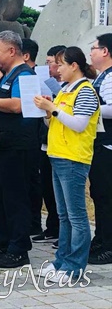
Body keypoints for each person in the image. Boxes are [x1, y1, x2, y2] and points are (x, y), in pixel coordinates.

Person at [0, 31, 40, 269]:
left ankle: (19, 248)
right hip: (2, 146)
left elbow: (18, 106)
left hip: (18, 147)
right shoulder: (9, 75)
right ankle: (1, 241)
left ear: (12, 50)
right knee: (0, 196)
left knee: (15, 198)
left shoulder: (25, 75)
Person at [34, 46, 100, 281]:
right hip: (58, 155)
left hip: (74, 158)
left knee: (76, 216)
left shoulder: (85, 91)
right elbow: (55, 122)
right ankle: (61, 260)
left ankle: (74, 267)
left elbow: (79, 124)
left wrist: (51, 109)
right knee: (63, 215)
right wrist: (46, 111)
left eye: (61, 64)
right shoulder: (64, 90)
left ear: (74, 66)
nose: (57, 69)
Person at [32, 45, 67, 246]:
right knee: (48, 187)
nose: (52, 68)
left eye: (52, 63)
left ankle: (63, 234)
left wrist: (52, 107)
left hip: (66, 149)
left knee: (64, 197)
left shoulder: (75, 89)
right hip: (48, 143)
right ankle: (53, 227)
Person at [88, 33, 112, 265]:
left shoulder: (110, 78)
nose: (91, 52)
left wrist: (86, 108)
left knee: (106, 197)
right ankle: (101, 238)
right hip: (99, 144)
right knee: (99, 194)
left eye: (94, 48)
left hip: (107, 146)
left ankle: (109, 245)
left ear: (105, 51)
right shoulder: (101, 77)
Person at [21, 38, 44, 236]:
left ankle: (34, 223)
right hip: (30, 136)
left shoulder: (32, 76)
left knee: (32, 181)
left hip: (35, 137)